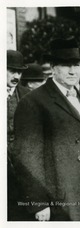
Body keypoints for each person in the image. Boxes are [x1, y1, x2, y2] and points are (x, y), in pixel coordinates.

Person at [11, 38, 80, 221]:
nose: (73, 71)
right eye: (66, 65)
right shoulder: (33, 102)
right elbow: (27, 157)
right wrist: (38, 203)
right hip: (63, 195)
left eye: (76, 65)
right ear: (53, 68)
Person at [7, 50, 31, 221]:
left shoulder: (27, 95)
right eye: (11, 70)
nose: (16, 75)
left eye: (19, 71)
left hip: (21, 161)